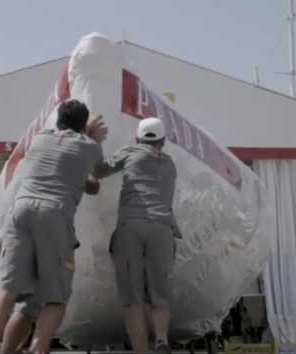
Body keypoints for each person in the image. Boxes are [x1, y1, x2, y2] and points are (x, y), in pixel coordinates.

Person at [0, 99, 107, 354]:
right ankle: (38, 348)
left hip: (20, 211)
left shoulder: (39, 139)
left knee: (5, 290)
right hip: (54, 214)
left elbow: (60, 161)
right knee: (56, 298)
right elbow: (95, 182)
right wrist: (93, 139)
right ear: (83, 124)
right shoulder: (89, 147)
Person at [92, 117, 180, 354]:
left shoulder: (131, 151)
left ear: (137, 138)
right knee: (159, 294)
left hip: (131, 226)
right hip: (162, 228)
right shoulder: (171, 164)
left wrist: (93, 142)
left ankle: (141, 351)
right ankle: (161, 339)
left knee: (133, 298)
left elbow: (98, 171)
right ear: (162, 141)